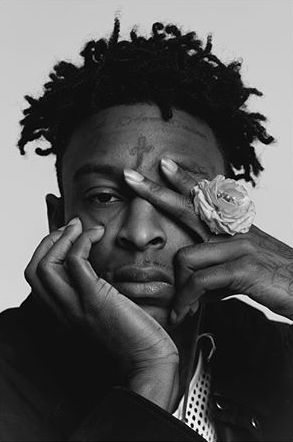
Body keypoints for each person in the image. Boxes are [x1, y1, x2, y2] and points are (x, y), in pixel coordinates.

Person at [0, 18, 292, 441]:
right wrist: (150, 374)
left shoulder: (274, 357)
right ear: (58, 220)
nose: (140, 234)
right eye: (104, 196)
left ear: (231, 224)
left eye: (179, 198)